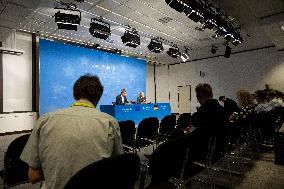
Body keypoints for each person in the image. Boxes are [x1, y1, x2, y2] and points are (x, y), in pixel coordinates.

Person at [20, 74, 124, 189]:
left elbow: (33, 176)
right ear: (98, 98)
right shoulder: (110, 122)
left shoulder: (45, 120)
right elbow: (117, 167)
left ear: (75, 95)